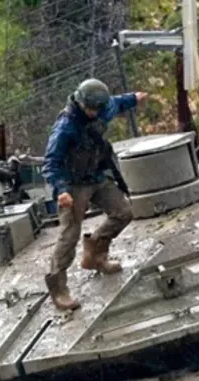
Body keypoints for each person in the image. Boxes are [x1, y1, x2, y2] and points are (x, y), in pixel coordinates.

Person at [42, 78, 146, 311]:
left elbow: (116, 104)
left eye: (97, 109)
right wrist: (61, 190)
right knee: (69, 235)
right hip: (73, 184)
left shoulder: (102, 108)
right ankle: (59, 289)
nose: (93, 113)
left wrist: (134, 99)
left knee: (123, 212)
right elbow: (51, 162)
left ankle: (95, 255)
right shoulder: (65, 128)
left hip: (95, 176)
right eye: (89, 108)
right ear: (81, 103)